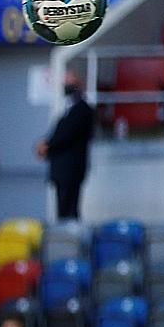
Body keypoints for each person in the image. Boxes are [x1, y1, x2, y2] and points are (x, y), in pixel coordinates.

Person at [35, 69, 94, 221]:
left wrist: (48, 145)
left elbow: (67, 134)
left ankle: (67, 234)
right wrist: (45, 144)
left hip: (71, 168)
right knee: (63, 208)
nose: (66, 85)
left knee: (68, 209)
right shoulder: (69, 109)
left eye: (70, 81)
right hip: (63, 168)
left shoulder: (82, 109)